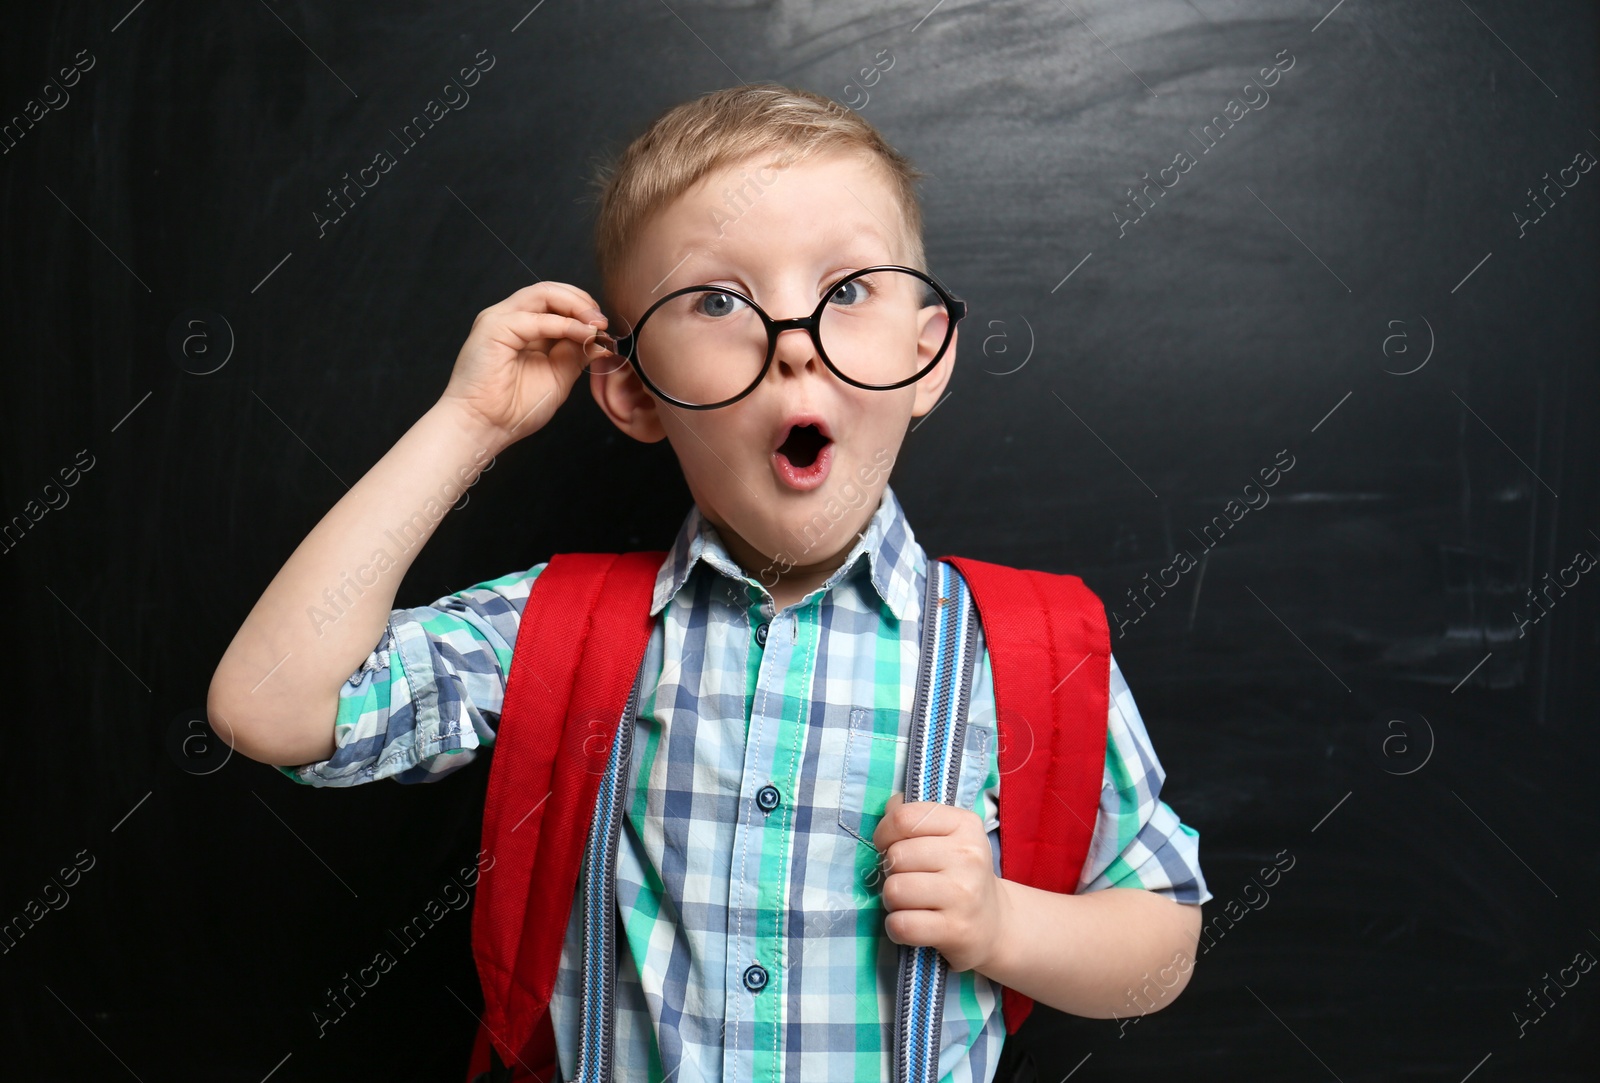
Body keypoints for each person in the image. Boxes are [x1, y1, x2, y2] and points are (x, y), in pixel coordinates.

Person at [208, 82, 1212, 1083]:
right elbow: (270, 709)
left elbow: (1157, 955)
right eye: (719, 300)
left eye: (847, 288)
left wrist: (1002, 924)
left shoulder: (1027, 652)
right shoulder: (563, 631)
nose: (789, 341)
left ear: (927, 354)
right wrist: (468, 425)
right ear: (636, 393)